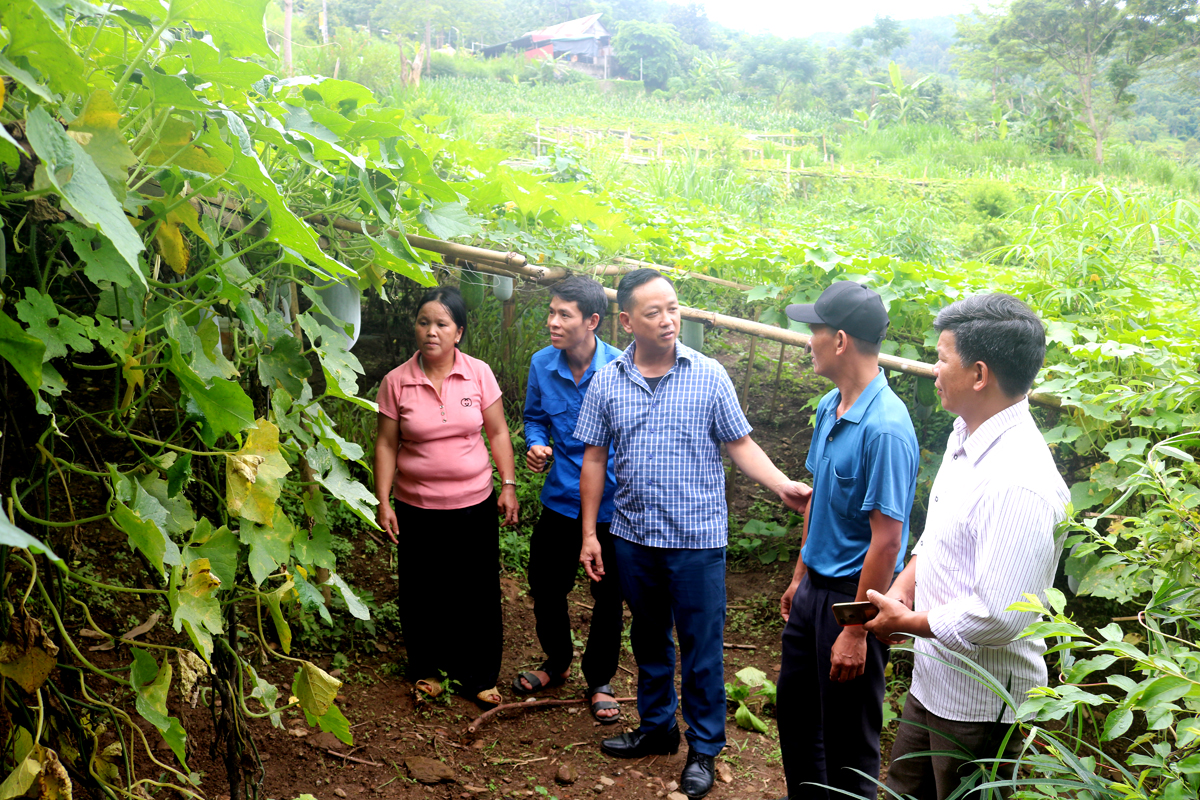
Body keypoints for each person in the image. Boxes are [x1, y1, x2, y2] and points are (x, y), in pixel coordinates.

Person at [574, 268, 811, 800]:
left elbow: (741, 443)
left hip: (698, 542)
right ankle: (657, 729)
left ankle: (704, 747)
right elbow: (593, 457)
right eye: (653, 312)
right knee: (649, 639)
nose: (667, 319)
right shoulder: (608, 379)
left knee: (702, 648)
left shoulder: (708, 375)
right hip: (634, 537)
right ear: (627, 320)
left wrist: (781, 486)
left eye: (674, 308)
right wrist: (591, 533)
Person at [864, 293, 1069, 800]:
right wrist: (903, 589)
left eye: (942, 358)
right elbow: (940, 533)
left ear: (979, 374)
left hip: (982, 706)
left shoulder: (1019, 480)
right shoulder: (967, 434)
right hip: (935, 679)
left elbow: (1000, 617)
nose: (933, 370)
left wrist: (906, 623)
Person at [774, 281, 920, 800]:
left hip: (852, 602)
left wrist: (856, 630)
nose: (806, 340)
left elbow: (887, 541)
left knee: (847, 743)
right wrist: (799, 577)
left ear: (839, 340)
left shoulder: (886, 429)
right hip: (815, 591)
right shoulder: (830, 406)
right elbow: (817, 502)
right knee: (797, 720)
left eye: (812, 330)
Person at [374, 285, 520, 709]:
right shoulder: (397, 381)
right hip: (416, 506)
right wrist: (383, 501)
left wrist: (508, 484)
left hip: (474, 502)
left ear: (459, 332)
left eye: (441, 324)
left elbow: (497, 432)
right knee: (423, 589)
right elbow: (386, 444)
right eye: (424, 322)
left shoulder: (478, 373)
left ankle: (479, 675)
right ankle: (428, 670)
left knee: (476, 587)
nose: (431, 332)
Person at [516, 277, 624, 724]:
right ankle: (557, 662)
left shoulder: (622, 369)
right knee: (545, 584)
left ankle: (599, 679)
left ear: (592, 321)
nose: (552, 322)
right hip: (560, 500)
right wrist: (536, 445)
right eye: (551, 311)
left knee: (609, 595)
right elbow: (535, 418)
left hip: (615, 508)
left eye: (564, 314)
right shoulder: (542, 365)